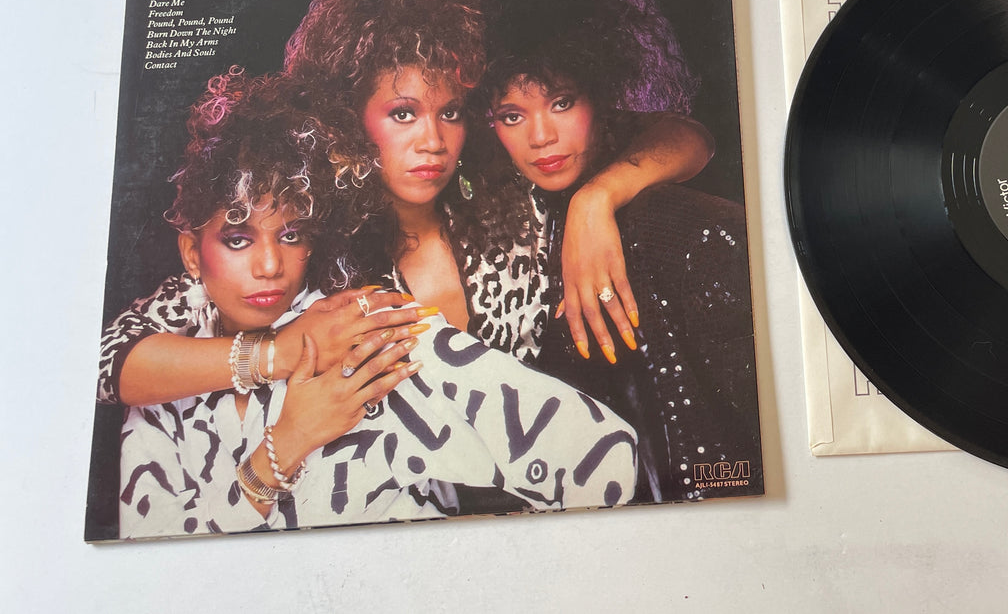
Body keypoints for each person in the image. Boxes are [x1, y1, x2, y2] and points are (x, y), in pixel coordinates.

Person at [109, 70, 638, 538]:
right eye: (238, 239)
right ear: (192, 253)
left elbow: (602, 456)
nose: (269, 265)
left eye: (291, 235)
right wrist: (284, 442)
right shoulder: (163, 384)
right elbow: (150, 562)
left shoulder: (365, 332)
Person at [280, 0, 715, 366]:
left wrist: (596, 198)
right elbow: (248, 344)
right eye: (404, 113)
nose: (433, 141)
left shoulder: (519, 204)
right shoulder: (314, 249)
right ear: (350, 118)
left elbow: (687, 136)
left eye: (450, 113)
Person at [471, 0, 761, 502]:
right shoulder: (487, 200)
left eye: (561, 102)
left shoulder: (655, 209)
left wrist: (595, 199)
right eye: (512, 115)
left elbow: (690, 138)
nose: (542, 137)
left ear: (597, 95)